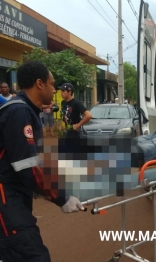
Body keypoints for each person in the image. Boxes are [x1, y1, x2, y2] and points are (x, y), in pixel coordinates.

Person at [0, 60, 85, 261]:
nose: (54, 89)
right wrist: (61, 196)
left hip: (13, 197)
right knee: (33, 255)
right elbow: (27, 166)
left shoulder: (25, 111)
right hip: (6, 202)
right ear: (40, 84)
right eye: (51, 84)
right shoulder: (19, 112)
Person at [59, 83, 92, 154]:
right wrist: (61, 125)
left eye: (63, 91)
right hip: (66, 133)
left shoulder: (76, 103)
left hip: (75, 134)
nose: (61, 93)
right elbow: (64, 115)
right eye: (61, 91)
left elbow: (88, 115)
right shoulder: (63, 103)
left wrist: (78, 125)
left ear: (70, 92)